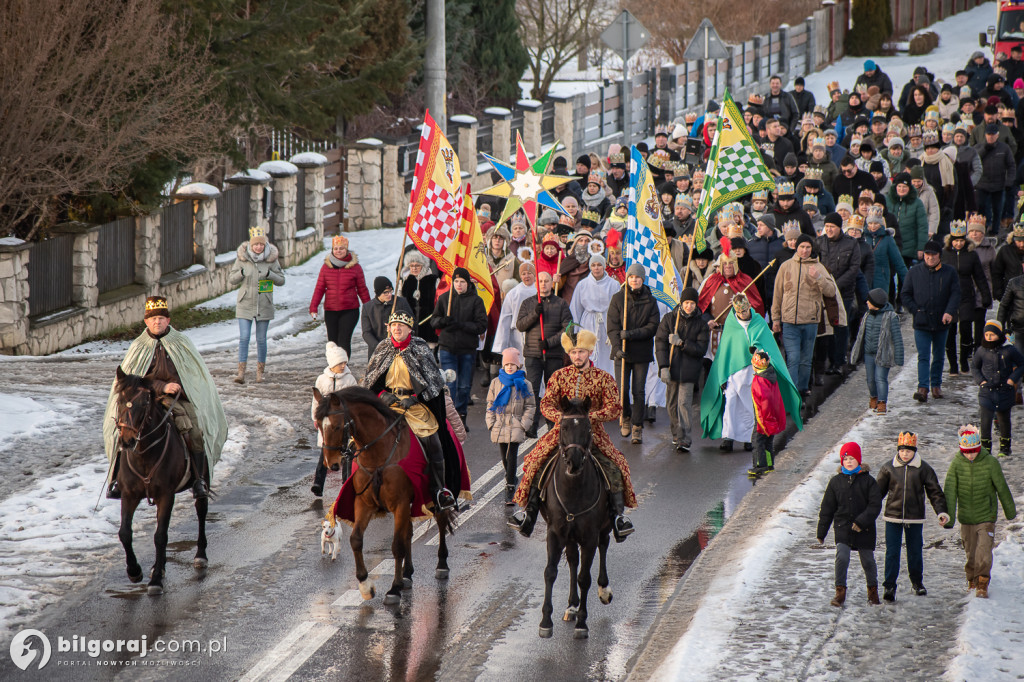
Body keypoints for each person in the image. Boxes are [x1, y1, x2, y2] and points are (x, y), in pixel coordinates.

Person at [509, 327, 637, 541]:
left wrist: (592, 417)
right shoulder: (558, 376)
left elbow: (615, 407)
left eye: (582, 352)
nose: (577, 356)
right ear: (569, 354)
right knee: (534, 462)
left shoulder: (604, 378)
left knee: (617, 466)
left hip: (593, 434)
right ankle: (528, 514)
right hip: (563, 432)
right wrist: (562, 418)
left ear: (589, 353)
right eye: (574, 352)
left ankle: (618, 518)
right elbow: (546, 404)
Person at [102, 297, 227, 500]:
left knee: (195, 430)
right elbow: (133, 381)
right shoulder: (138, 347)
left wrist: (171, 386)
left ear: (168, 321)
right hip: (143, 400)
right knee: (120, 430)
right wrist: (160, 386)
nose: (157, 322)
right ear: (146, 322)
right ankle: (117, 480)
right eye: (152, 319)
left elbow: (191, 376)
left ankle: (198, 480)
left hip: (177, 399)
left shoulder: (181, 343)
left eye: (161, 318)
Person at [363, 310, 458, 511]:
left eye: (401, 325)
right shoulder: (382, 348)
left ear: (409, 329)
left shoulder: (420, 348)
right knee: (359, 436)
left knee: (433, 438)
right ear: (388, 328)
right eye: (393, 325)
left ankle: (440, 491)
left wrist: (416, 398)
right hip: (387, 405)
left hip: (415, 406)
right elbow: (370, 380)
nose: (397, 328)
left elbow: (434, 382)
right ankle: (360, 484)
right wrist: (381, 395)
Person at [702, 294, 801, 452]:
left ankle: (749, 438)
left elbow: (768, 346)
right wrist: (722, 374)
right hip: (733, 371)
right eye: (739, 312)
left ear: (749, 307)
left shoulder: (759, 322)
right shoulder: (732, 323)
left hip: (752, 372)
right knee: (731, 403)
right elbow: (725, 349)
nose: (742, 314)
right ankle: (728, 437)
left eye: (745, 311)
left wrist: (759, 352)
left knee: (750, 404)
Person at [943, 424, 1017, 598]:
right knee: (971, 552)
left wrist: (1010, 511)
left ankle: (982, 582)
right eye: (966, 452)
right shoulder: (956, 464)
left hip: (986, 516)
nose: (970, 455)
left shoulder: (991, 463)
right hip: (966, 517)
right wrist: (950, 518)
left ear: (979, 448)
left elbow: (1002, 487)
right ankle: (972, 579)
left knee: (983, 551)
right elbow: (950, 492)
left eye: (973, 451)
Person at [875, 431, 948, 602]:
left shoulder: (924, 468)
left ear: (914, 450)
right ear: (898, 450)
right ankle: (889, 586)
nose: (905, 453)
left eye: (908, 450)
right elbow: (877, 493)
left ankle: (917, 582)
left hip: (915, 518)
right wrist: (865, 512)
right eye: (902, 450)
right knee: (892, 552)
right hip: (892, 517)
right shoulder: (888, 468)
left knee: (915, 551)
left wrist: (941, 512)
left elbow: (935, 493)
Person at [817, 442, 882, 607]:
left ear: (858, 460)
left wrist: (861, 521)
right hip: (843, 527)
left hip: (865, 528)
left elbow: (875, 505)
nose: (849, 461)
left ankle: (873, 593)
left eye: (852, 458)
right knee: (842, 557)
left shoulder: (869, 481)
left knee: (867, 561)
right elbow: (827, 508)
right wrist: (821, 532)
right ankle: (840, 592)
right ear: (842, 461)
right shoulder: (835, 482)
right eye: (846, 458)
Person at [772, 234, 837, 397]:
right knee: (793, 357)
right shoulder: (786, 266)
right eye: (802, 247)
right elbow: (777, 294)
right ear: (796, 248)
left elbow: (831, 291)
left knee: (806, 359)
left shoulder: (818, 267)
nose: (805, 250)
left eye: (808, 247)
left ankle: (802, 388)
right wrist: (775, 318)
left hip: (810, 321)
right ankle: (792, 391)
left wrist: (819, 278)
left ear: (812, 249)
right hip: (789, 321)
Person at [607, 263, 661, 445]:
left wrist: (630, 334)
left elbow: (652, 327)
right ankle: (626, 417)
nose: (634, 280)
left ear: (642, 279)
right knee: (622, 390)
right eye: (631, 277)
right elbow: (612, 326)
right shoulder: (618, 298)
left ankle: (637, 426)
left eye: (637, 277)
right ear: (627, 279)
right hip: (622, 352)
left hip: (641, 352)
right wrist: (616, 346)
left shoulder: (650, 300)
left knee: (638, 390)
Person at [902, 238, 961, 402]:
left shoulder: (949, 272)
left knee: (939, 355)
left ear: (939, 256)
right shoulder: (914, 272)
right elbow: (905, 294)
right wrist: (915, 310)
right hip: (921, 321)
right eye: (927, 255)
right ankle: (923, 388)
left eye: (933, 255)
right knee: (923, 355)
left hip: (942, 321)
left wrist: (949, 312)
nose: (930, 258)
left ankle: (936, 385)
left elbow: (955, 293)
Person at [516, 270, 572, 437]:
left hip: (553, 354)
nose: (543, 284)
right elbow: (520, 325)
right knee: (532, 390)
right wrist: (535, 314)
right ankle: (532, 425)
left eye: (546, 281)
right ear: (536, 283)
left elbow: (568, 328)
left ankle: (552, 424)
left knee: (552, 391)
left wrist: (550, 342)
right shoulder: (528, 303)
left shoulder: (561, 304)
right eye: (540, 281)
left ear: (552, 283)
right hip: (533, 354)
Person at [228, 226, 285, 384]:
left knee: (261, 339)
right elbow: (231, 279)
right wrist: (240, 274)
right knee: (244, 338)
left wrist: (270, 274)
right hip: (245, 303)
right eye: (255, 245)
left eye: (261, 244)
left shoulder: (271, 259)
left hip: (264, 304)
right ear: (250, 245)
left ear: (265, 244)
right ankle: (241, 373)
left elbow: (281, 280)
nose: (258, 247)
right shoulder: (242, 259)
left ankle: (260, 373)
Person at [655, 287, 709, 452]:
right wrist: (663, 366)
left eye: (692, 303)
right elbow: (660, 344)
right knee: (671, 404)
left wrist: (682, 343)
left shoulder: (701, 323)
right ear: (681, 303)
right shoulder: (670, 319)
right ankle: (676, 434)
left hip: (689, 370)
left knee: (683, 403)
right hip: (671, 367)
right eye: (686, 302)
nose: (689, 306)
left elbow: (701, 349)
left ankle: (684, 438)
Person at [432, 267, 488, 425]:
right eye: (456, 281)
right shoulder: (444, 299)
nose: (459, 284)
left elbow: (481, 325)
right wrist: (443, 321)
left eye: (462, 281)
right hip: (447, 348)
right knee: (450, 384)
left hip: (467, 350)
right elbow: (434, 321)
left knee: (463, 386)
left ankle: (461, 415)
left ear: (467, 283)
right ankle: (450, 418)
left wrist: (461, 325)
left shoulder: (476, 301)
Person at [485, 347, 536, 505]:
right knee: (503, 457)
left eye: (512, 364)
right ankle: (511, 476)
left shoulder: (524, 383)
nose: (509, 367)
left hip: (516, 424)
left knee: (511, 456)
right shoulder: (496, 382)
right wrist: (491, 423)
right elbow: (490, 404)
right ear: (502, 366)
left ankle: (510, 487)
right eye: (507, 364)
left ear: (518, 366)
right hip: (500, 424)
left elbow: (530, 406)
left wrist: (523, 424)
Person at [942, 221, 992, 375]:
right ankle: (953, 364)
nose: (958, 243)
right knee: (949, 332)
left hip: (965, 296)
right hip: (948, 297)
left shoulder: (971, 255)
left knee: (965, 329)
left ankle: (964, 360)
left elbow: (979, 277)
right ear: (951, 241)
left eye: (961, 240)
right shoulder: (945, 254)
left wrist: (985, 295)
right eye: (955, 240)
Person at [310, 342, 359, 496]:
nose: (343, 366)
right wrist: (314, 417)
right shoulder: (322, 379)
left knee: (346, 454)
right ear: (332, 364)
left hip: (344, 425)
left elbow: (355, 401)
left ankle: (345, 484)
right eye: (340, 363)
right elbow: (315, 402)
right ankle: (318, 482)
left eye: (345, 362)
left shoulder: (350, 380)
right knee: (325, 451)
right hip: (327, 425)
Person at [309, 234, 371, 355]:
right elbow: (319, 288)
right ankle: (333, 368)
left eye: (341, 248)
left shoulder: (355, 267)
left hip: (350, 310)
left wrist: (369, 307)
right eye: (336, 248)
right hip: (331, 310)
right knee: (332, 342)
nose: (338, 251)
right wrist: (313, 307)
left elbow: (362, 289)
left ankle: (344, 368)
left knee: (344, 340)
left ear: (346, 250)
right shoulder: (326, 267)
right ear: (332, 250)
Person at [971, 320, 1024, 457]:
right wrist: (980, 380)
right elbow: (975, 367)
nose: (989, 337)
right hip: (986, 391)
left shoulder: (1009, 350)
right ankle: (985, 449)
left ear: (999, 335)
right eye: (986, 334)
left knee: (1004, 419)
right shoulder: (982, 350)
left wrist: (1012, 379)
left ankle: (1005, 447)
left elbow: (1021, 364)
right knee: (986, 421)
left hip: (1005, 390)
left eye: (992, 335)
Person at [851, 289, 903, 415]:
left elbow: (897, 338)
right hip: (869, 353)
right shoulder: (867, 315)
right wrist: (856, 352)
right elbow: (860, 336)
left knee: (880, 378)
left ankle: (881, 402)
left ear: (876, 303)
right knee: (870, 379)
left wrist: (899, 357)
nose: (867, 302)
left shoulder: (890, 317)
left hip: (883, 354)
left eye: (869, 300)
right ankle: (873, 396)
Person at [569, 253, 621, 374]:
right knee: (589, 353)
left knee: (606, 357)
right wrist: (576, 332)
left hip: (607, 323)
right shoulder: (582, 285)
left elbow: (619, 309)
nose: (596, 268)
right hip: (588, 323)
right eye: (593, 265)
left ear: (604, 266)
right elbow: (575, 309)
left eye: (599, 265)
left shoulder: (614, 284)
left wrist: (617, 329)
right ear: (590, 267)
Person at [748, 348, 786, 477]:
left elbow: (764, 402)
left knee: (757, 441)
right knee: (768, 441)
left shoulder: (759, 381)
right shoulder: (770, 376)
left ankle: (760, 465)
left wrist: (763, 421)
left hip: (762, 418)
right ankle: (769, 464)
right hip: (771, 417)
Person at [361, 276, 413, 361]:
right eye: (385, 292)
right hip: (377, 351)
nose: (389, 295)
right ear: (378, 293)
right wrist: (379, 347)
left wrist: (397, 328)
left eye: (390, 291)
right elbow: (366, 332)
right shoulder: (368, 307)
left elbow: (412, 323)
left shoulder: (401, 302)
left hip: (400, 349)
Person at [493, 261, 536, 357]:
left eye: (529, 273)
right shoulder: (513, 293)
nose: (526, 276)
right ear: (520, 276)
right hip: (517, 334)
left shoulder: (540, 291)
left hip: (536, 332)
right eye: (523, 274)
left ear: (534, 274)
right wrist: (502, 343)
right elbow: (505, 317)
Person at [400, 251, 438, 348]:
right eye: (411, 265)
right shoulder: (405, 281)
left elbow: (439, 301)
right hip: (411, 325)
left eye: (417, 265)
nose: (414, 268)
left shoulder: (433, 280)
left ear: (423, 266)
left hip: (429, 324)